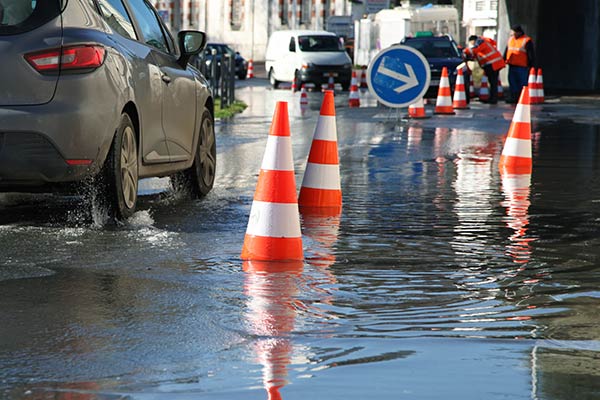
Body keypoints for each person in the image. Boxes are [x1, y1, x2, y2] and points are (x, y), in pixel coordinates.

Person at [463, 35, 505, 104]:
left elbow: (474, 51)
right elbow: (476, 55)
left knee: (493, 82)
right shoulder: (483, 41)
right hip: (494, 64)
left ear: (473, 40)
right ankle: (492, 98)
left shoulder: (480, 42)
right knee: (492, 82)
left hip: (493, 64)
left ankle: (493, 99)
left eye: (472, 43)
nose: (472, 44)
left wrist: (465, 51)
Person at [504, 24, 535, 103]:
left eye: (513, 32)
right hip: (512, 65)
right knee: (512, 83)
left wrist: (531, 65)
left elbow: (530, 54)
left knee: (522, 83)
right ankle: (513, 98)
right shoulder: (511, 39)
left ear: (518, 32)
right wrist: (503, 60)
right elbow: (507, 51)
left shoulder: (526, 40)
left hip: (522, 66)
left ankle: (522, 98)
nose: (512, 33)